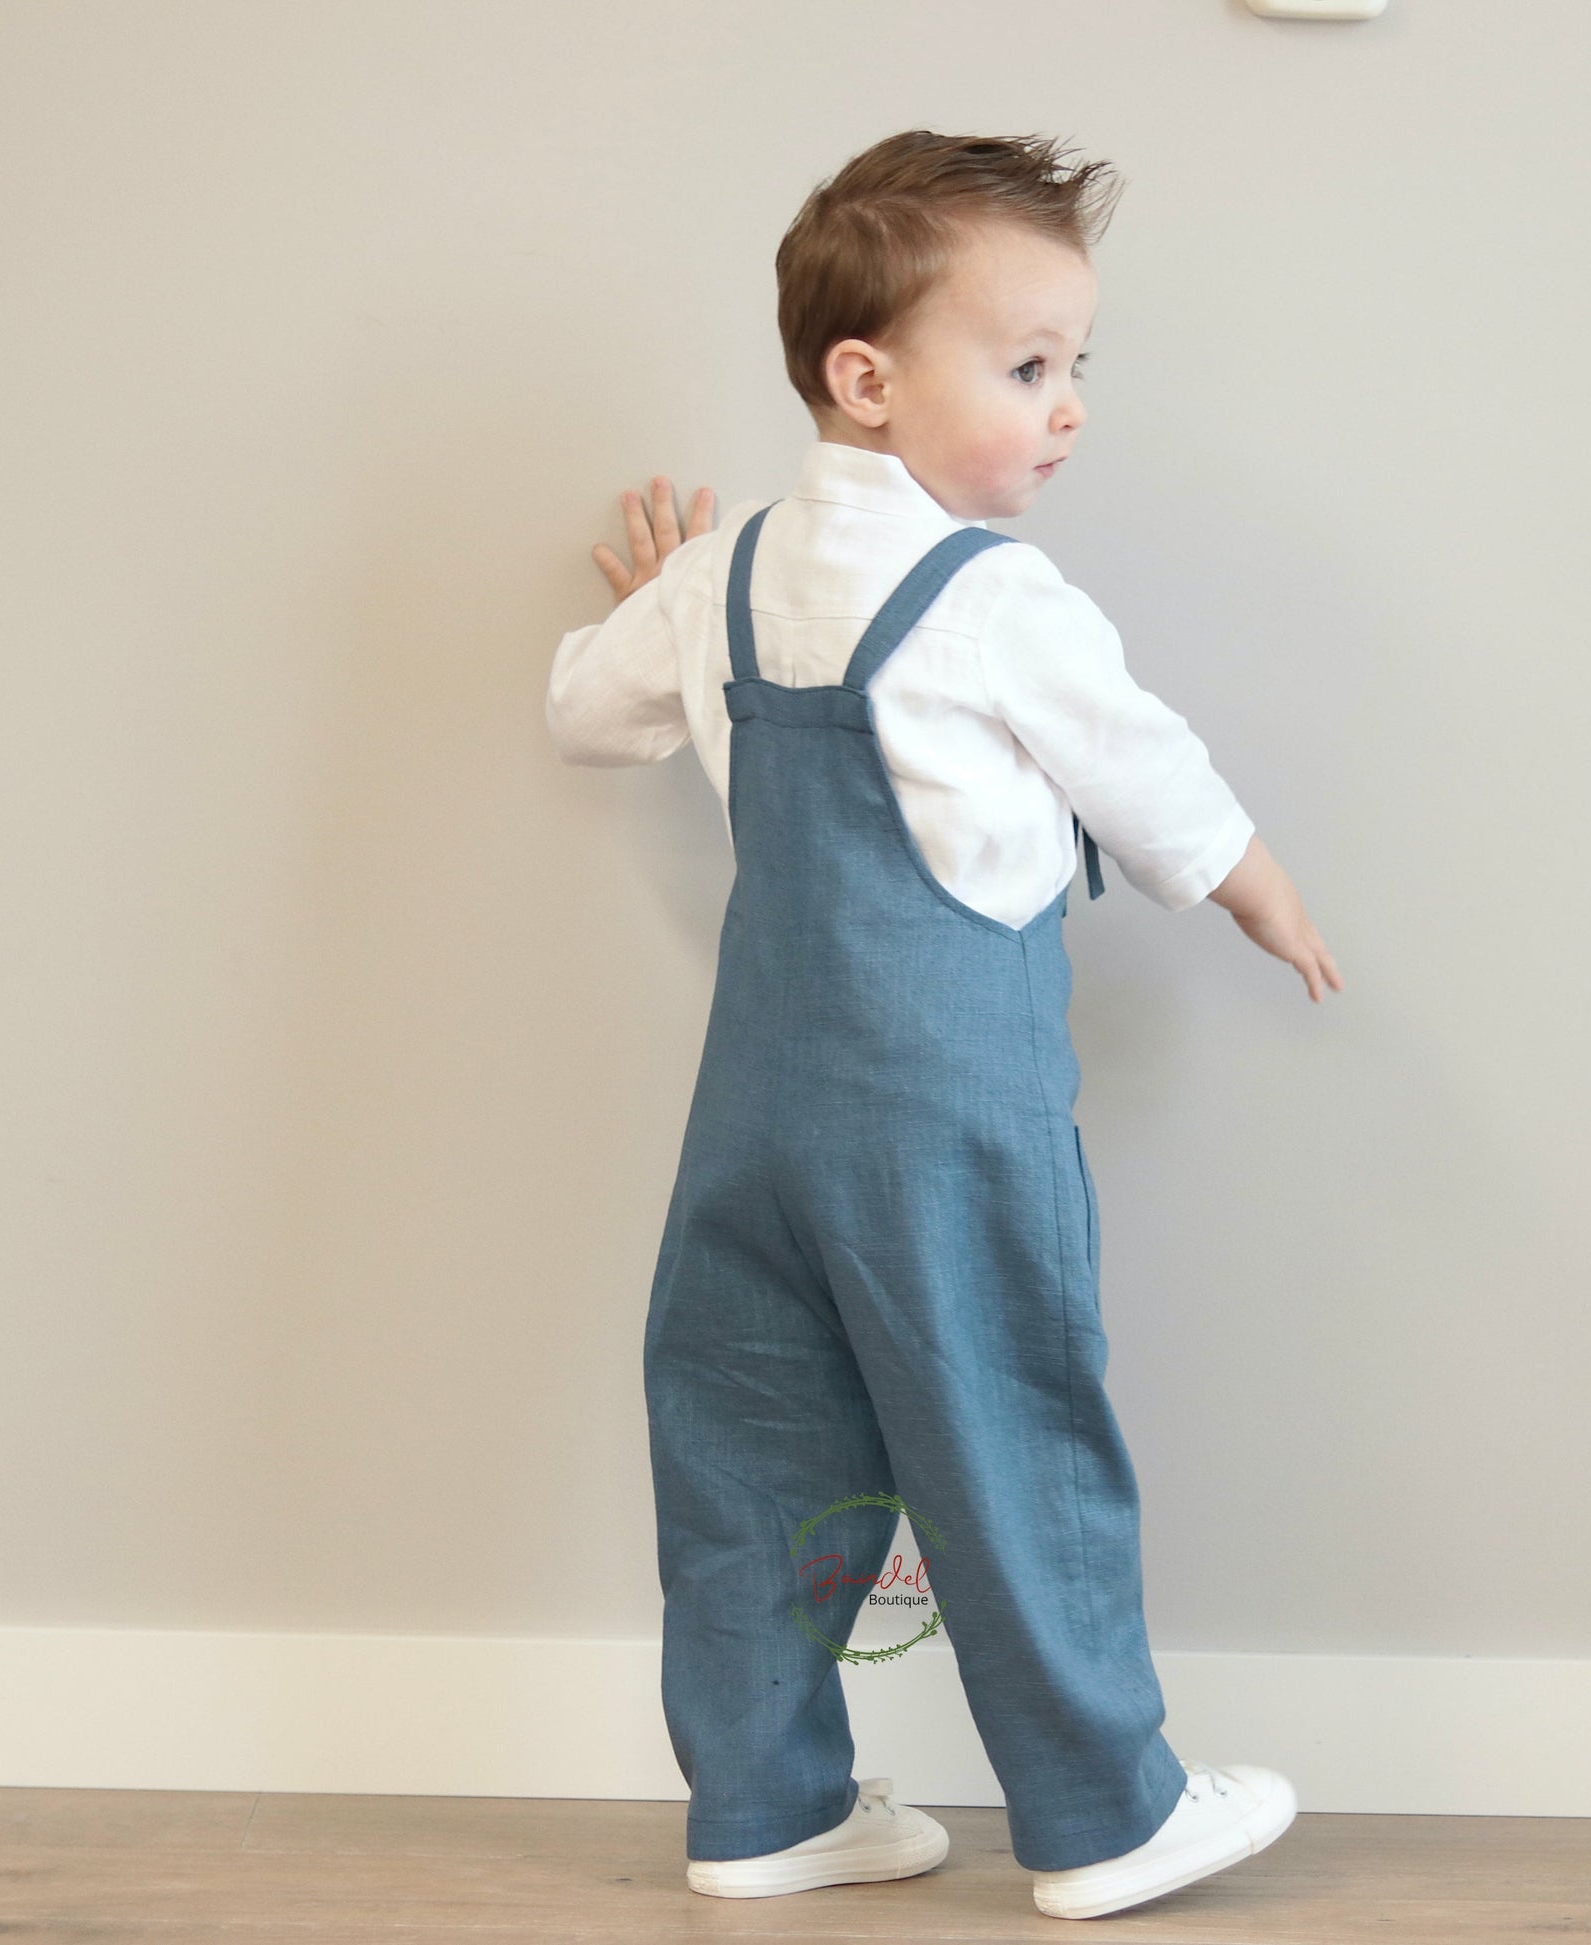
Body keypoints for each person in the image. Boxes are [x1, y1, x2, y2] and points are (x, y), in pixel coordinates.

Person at [546, 129, 1342, 1923]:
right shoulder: (995, 597)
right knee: (1004, 1427)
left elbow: (583, 718)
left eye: (1073, 366)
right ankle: (1105, 1811)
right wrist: (1261, 889)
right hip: (945, 1114)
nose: (1068, 409)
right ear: (867, 380)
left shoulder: (722, 573)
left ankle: (763, 1805)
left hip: (753, 1117)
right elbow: (1148, 773)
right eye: (1029, 365)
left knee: (743, 1443)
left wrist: (655, 613)